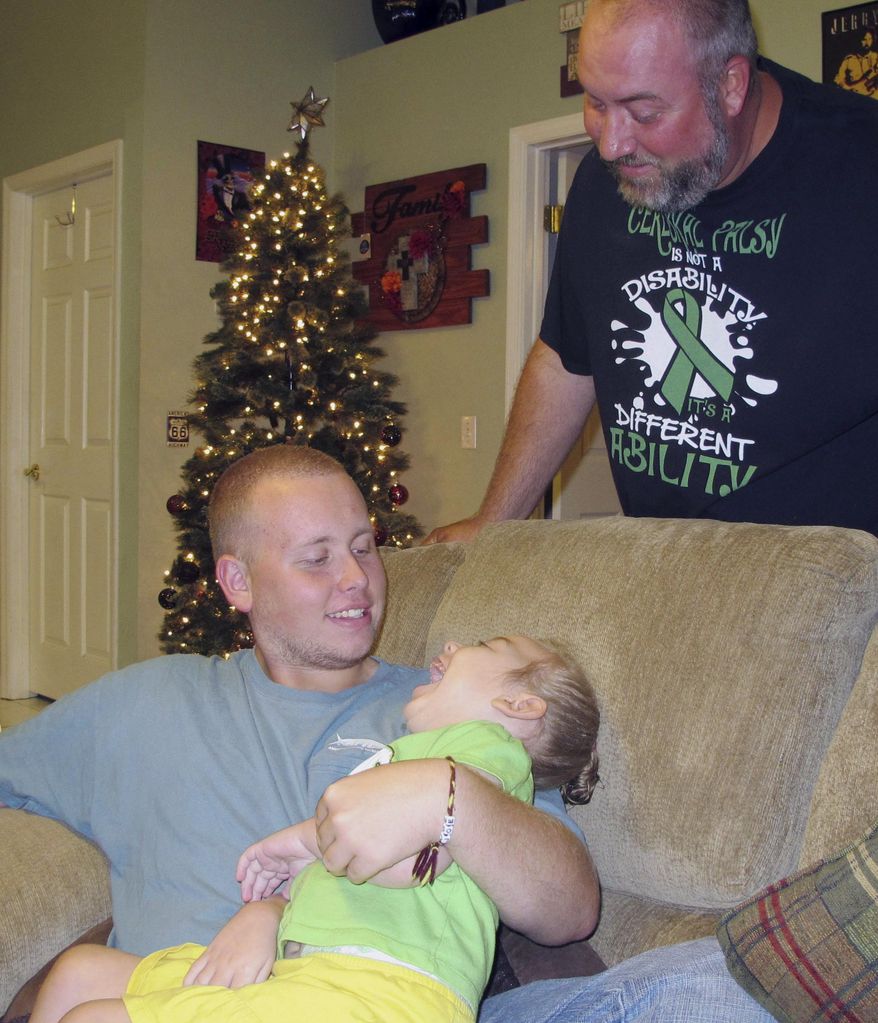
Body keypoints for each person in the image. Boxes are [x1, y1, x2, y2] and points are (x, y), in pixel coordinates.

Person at [0, 444, 599, 1020]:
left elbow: (568, 910)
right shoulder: (143, 703)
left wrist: (452, 800)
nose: (357, 578)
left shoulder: (453, 714)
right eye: (317, 559)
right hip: (170, 988)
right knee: (76, 977)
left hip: (359, 999)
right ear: (237, 582)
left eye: (364, 548)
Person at [426, 0, 878, 546]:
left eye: (643, 113)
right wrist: (492, 523)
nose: (611, 144)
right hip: (662, 564)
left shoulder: (860, 170)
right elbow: (568, 358)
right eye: (596, 103)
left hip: (833, 577)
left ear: (731, 85)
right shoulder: (606, 181)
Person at [29, 635, 602, 1023]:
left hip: (378, 994)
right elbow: (376, 840)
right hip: (318, 975)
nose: (451, 645)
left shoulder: (484, 747)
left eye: (487, 647)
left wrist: (327, 842)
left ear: (519, 705)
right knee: (79, 974)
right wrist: (296, 857)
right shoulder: (415, 750)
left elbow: (413, 856)